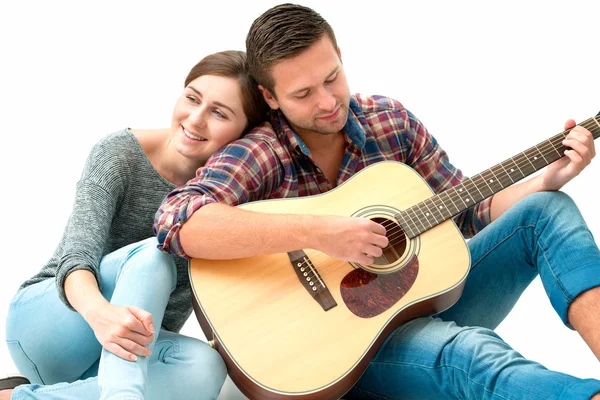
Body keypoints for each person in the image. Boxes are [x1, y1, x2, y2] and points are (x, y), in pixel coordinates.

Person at [154, 4, 600, 400]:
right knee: (470, 353)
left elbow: (466, 213)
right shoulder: (260, 152)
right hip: (338, 359)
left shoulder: (391, 122)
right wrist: (319, 233)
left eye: (332, 78)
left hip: (424, 301)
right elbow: (176, 221)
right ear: (270, 97)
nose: (329, 102)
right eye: (303, 94)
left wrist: (546, 179)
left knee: (547, 208)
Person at [3, 50, 269, 400]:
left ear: (246, 134)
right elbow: (76, 258)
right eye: (192, 98)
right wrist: (102, 316)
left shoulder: (238, 199)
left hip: (123, 353)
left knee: (206, 367)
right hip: (54, 323)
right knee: (153, 255)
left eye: (219, 113)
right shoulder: (120, 155)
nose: (196, 119)